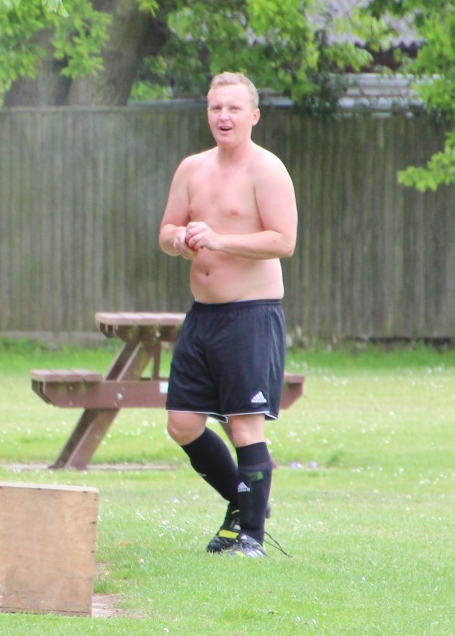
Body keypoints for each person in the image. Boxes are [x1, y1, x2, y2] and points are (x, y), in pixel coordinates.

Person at [158, 72, 298, 558]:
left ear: (253, 116)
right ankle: (242, 503)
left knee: (244, 427)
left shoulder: (267, 169)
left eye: (234, 108)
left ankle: (252, 538)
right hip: (203, 316)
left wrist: (219, 239)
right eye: (216, 108)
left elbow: (283, 240)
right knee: (182, 423)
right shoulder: (192, 168)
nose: (224, 117)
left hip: (250, 316)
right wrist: (178, 240)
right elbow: (166, 230)